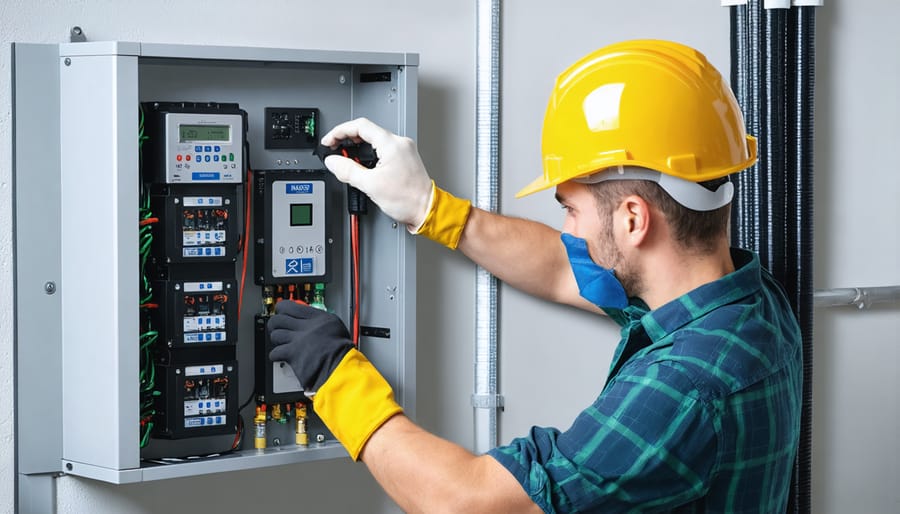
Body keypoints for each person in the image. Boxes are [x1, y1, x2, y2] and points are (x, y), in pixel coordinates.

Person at [267, 39, 803, 513]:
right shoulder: (749, 304)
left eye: (570, 208)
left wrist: (337, 376)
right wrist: (431, 208)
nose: (565, 229)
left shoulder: (685, 386)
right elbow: (559, 269)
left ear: (634, 220)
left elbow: (468, 503)